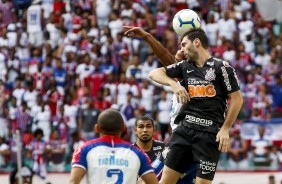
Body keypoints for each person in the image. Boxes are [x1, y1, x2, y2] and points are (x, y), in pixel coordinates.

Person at [148, 28, 243, 184]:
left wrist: (225, 128)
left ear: (196, 42)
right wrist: (174, 84)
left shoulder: (222, 67)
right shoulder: (185, 66)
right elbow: (154, 73)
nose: (182, 49)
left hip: (210, 135)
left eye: (184, 44)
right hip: (184, 130)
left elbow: (237, 99)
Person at [70, 109, 158, 184]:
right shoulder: (139, 153)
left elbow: (73, 182)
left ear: (97, 128)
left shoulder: (83, 150)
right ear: (123, 128)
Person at [134, 116, 196, 184]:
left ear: (154, 130)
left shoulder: (165, 148)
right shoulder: (129, 152)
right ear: (135, 130)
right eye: (141, 127)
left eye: (148, 126)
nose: (145, 130)